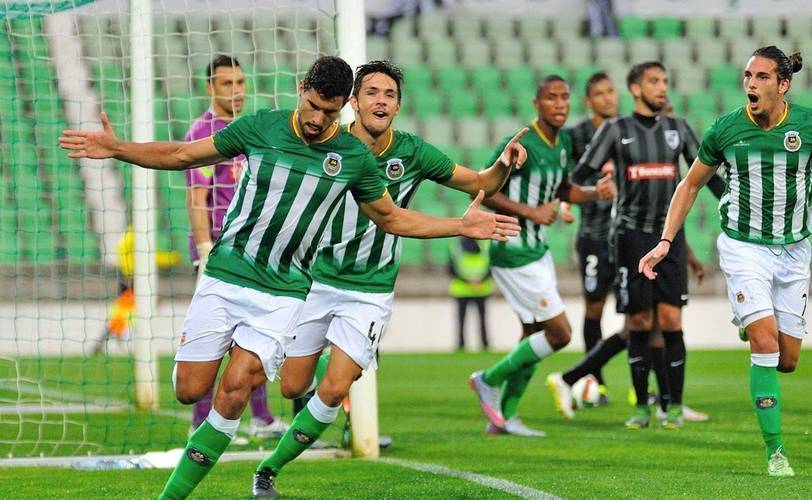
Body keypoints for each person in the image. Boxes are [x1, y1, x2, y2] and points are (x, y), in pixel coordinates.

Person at [59, 55, 521, 500]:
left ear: (344, 108)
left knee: (236, 389)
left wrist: (460, 224)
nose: (318, 119)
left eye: (329, 112)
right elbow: (182, 155)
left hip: (285, 291)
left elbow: (392, 218)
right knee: (190, 390)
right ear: (302, 90)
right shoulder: (261, 127)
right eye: (313, 106)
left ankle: (192, 489)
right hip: (228, 275)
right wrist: (117, 148)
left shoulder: (353, 157)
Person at [258, 60, 527, 495]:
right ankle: (339, 355)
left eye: (389, 95)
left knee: (334, 390)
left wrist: (505, 163)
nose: (380, 101)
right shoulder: (327, 143)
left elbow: (481, 183)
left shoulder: (412, 152)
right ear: (353, 101)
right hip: (316, 280)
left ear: (398, 106)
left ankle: (269, 469)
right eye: (372, 92)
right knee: (293, 385)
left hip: (370, 289)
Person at [640, 47, 808, 476]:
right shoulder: (726, 129)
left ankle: (753, 321)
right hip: (743, 247)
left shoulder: (807, 125)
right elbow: (689, 185)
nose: (751, 84)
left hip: (795, 249)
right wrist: (665, 241)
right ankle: (775, 452)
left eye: (762, 77)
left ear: (783, 85)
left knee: (788, 360)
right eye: (747, 75)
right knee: (765, 345)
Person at [552, 61, 719, 430]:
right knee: (639, 321)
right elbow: (579, 174)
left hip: (670, 237)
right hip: (630, 236)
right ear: (635, 88)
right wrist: (564, 199)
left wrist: (732, 202)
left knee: (671, 320)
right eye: (653, 81)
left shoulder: (678, 128)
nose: (662, 87)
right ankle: (641, 407)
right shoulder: (616, 130)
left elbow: (706, 175)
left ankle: (673, 407)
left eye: (665, 81)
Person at [468, 75, 616, 436]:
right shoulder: (522, 143)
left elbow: (563, 189)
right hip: (513, 249)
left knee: (533, 335)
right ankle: (488, 379)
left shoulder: (562, 142)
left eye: (564, 97)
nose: (560, 104)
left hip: (538, 249)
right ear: (537, 104)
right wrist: (530, 212)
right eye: (552, 97)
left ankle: (505, 417)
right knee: (560, 333)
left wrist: (594, 193)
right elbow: (481, 189)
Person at [183, 55, 285, 440]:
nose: (237, 91)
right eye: (227, 84)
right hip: (218, 251)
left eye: (240, 82)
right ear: (210, 87)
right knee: (211, 339)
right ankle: (199, 423)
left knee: (255, 335)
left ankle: (261, 418)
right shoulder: (203, 133)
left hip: (251, 249)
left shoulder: (250, 129)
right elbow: (197, 197)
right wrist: (204, 248)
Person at [562, 71, 620, 402]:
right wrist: (565, 203)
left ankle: (646, 389)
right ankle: (595, 384)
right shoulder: (576, 136)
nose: (608, 98)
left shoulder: (627, 129)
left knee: (642, 314)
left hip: (627, 234)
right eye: (600, 93)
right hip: (594, 236)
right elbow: (564, 177)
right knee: (594, 308)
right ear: (588, 101)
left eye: (611, 91)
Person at [449, 237, 493, 351]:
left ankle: (465, 345)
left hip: (467, 290)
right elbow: (451, 269)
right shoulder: (485, 245)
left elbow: (451, 269)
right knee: (475, 319)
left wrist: (470, 281)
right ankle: (480, 344)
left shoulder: (456, 247)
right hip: (475, 289)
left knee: (471, 319)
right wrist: (478, 281)